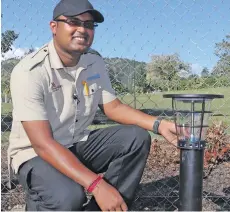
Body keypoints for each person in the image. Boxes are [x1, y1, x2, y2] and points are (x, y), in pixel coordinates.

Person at [8, 0, 177, 211]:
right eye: (73, 22)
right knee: (67, 197)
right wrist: (97, 185)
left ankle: (106, 207)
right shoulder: (30, 72)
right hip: (35, 154)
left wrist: (158, 124)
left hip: (76, 142)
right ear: (54, 27)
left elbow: (113, 107)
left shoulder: (93, 62)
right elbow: (42, 143)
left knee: (136, 137)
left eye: (89, 25)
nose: (82, 29)